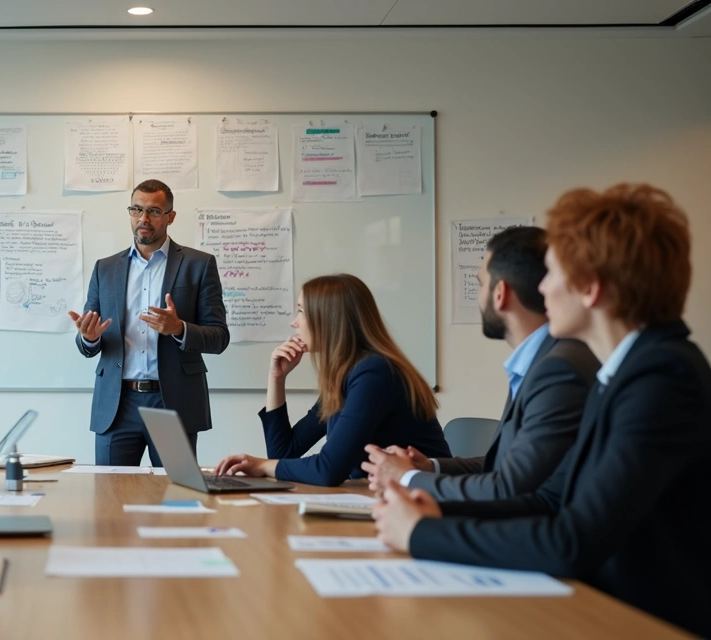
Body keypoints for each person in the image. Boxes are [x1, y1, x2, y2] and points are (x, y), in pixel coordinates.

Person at [372, 183, 711, 638]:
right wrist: (431, 511)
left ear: (590, 288)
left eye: (551, 273)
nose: (543, 288)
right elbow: (551, 499)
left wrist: (420, 535)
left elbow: (571, 540)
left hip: (641, 621)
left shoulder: (662, 378)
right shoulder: (627, 370)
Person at [362, 226, 598, 500]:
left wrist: (408, 478)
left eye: (480, 284)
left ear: (500, 293)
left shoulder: (556, 368)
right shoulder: (543, 359)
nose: (478, 295)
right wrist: (428, 467)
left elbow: (509, 488)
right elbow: (504, 465)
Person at [214, 274, 450, 486]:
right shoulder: (347, 374)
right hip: (380, 496)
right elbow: (284, 453)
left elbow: (329, 469)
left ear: (328, 320)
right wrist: (277, 377)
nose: (294, 322)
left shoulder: (374, 374)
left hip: (424, 499)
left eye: (301, 311)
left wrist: (261, 465)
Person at [68, 179, 229, 466]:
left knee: (175, 498)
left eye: (154, 211)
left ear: (170, 217)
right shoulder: (105, 268)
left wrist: (179, 329)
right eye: (136, 209)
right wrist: (89, 337)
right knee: (109, 500)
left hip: (172, 402)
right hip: (117, 405)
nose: (143, 219)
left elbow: (219, 337)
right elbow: (89, 341)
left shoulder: (198, 265)